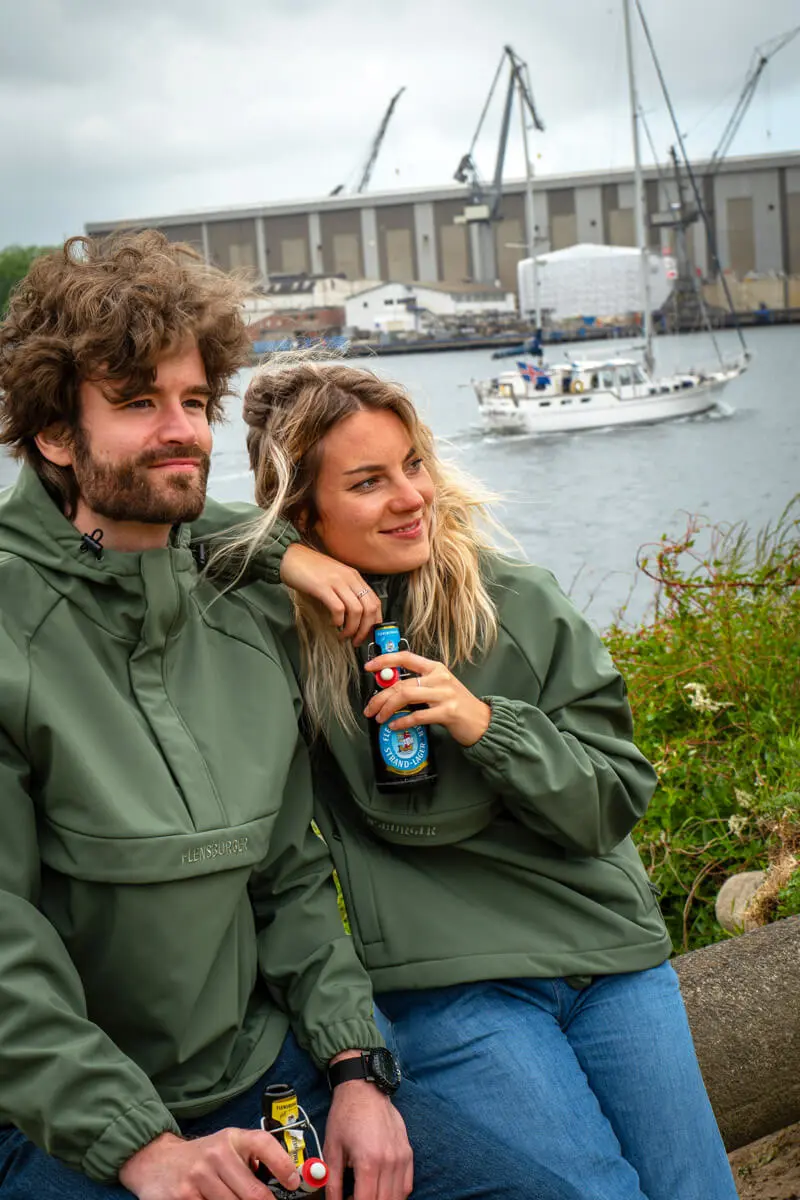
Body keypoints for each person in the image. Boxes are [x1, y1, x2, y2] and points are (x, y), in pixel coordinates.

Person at [0, 235, 580, 1200]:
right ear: (56, 433)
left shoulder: (244, 608)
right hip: (69, 1125)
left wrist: (356, 1070)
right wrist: (147, 1150)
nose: (180, 430)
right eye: (137, 402)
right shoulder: (13, 634)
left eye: (193, 401)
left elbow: (291, 878)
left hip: (273, 1079)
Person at [200, 361, 739, 1200]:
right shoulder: (278, 640)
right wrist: (290, 563)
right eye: (369, 481)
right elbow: (152, 531)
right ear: (304, 512)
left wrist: (489, 727)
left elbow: (612, 804)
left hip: (612, 961)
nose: (412, 497)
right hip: (453, 990)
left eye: (414, 464)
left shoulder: (514, 600)